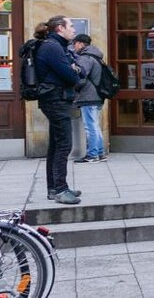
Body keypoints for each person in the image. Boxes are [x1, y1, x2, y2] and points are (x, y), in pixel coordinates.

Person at [34, 15, 85, 204]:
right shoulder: (52, 47)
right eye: (70, 25)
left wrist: (75, 69)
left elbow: (80, 70)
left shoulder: (54, 45)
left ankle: (54, 188)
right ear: (59, 28)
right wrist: (74, 70)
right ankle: (60, 190)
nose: (74, 29)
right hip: (56, 100)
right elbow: (72, 76)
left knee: (56, 146)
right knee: (64, 145)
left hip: (55, 99)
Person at [72, 34, 108, 163]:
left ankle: (92, 155)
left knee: (90, 127)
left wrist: (73, 85)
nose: (73, 46)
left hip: (88, 96)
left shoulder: (85, 57)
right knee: (95, 126)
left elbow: (80, 77)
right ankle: (100, 153)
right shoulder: (97, 57)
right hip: (97, 96)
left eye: (74, 44)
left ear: (81, 44)